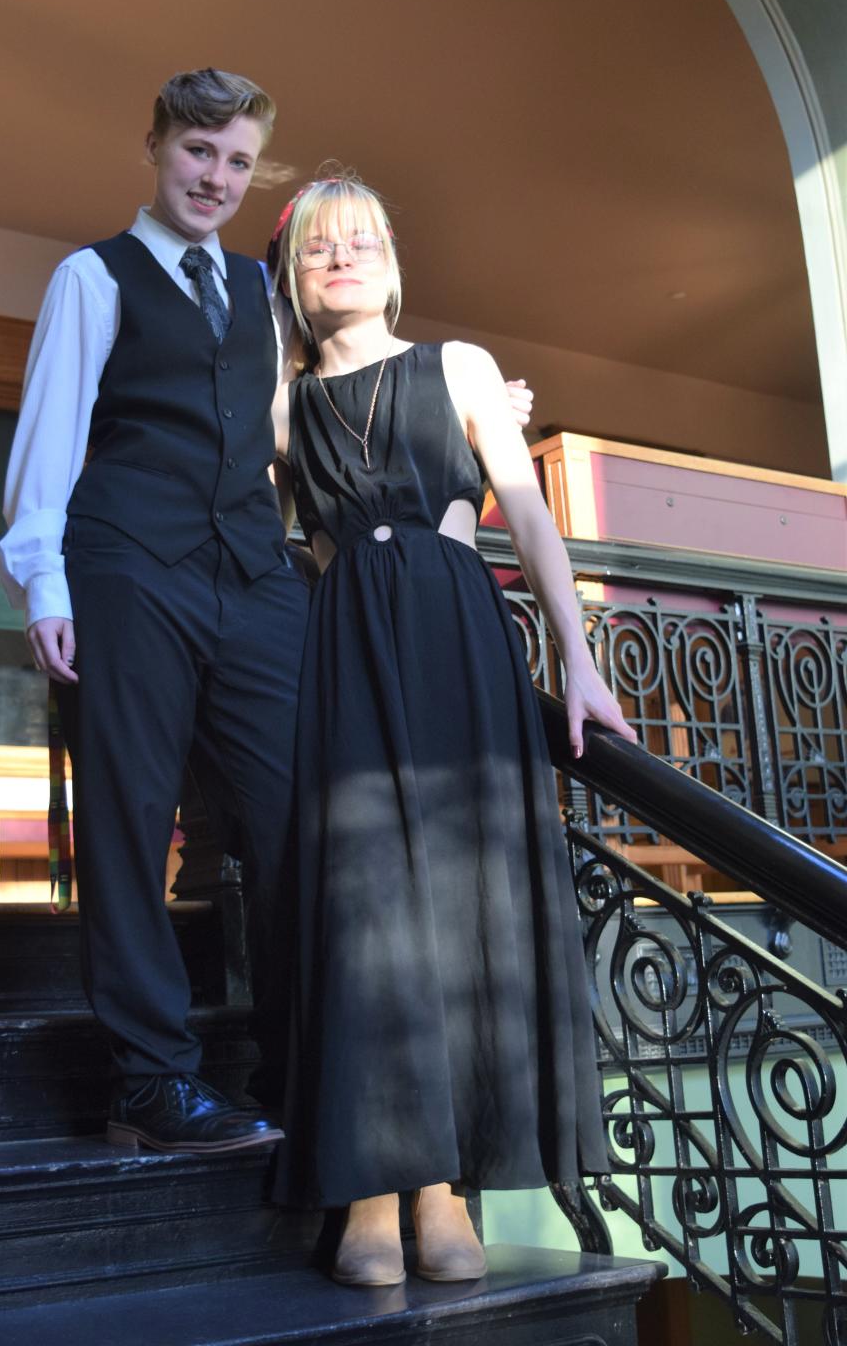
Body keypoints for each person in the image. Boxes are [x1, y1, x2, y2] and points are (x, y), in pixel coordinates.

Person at [0, 70, 534, 1156]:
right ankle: (151, 1082)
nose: (215, 177)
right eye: (199, 152)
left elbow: (336, 390)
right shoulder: (92, 279)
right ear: (156, 146)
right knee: (129, 814)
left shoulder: (259, 293)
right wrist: (42, 583)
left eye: (237, 161)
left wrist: (477, 416)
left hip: (251, 575)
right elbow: (47, 441)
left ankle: (310, 1069)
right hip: (128, 567)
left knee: (309, 811)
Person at [266, 176, 637, 1286]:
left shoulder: (461, 367)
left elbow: (526, 514)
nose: (345, 257)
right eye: (320, 247)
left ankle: (445, 1188)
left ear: (395, 258)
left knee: (460, 900)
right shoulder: (280, 408)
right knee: (364, 901)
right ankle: (375, 1186)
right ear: (293, 276)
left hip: (456, 636)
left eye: (364, 240)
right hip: (341, 651)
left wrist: (579, 661)